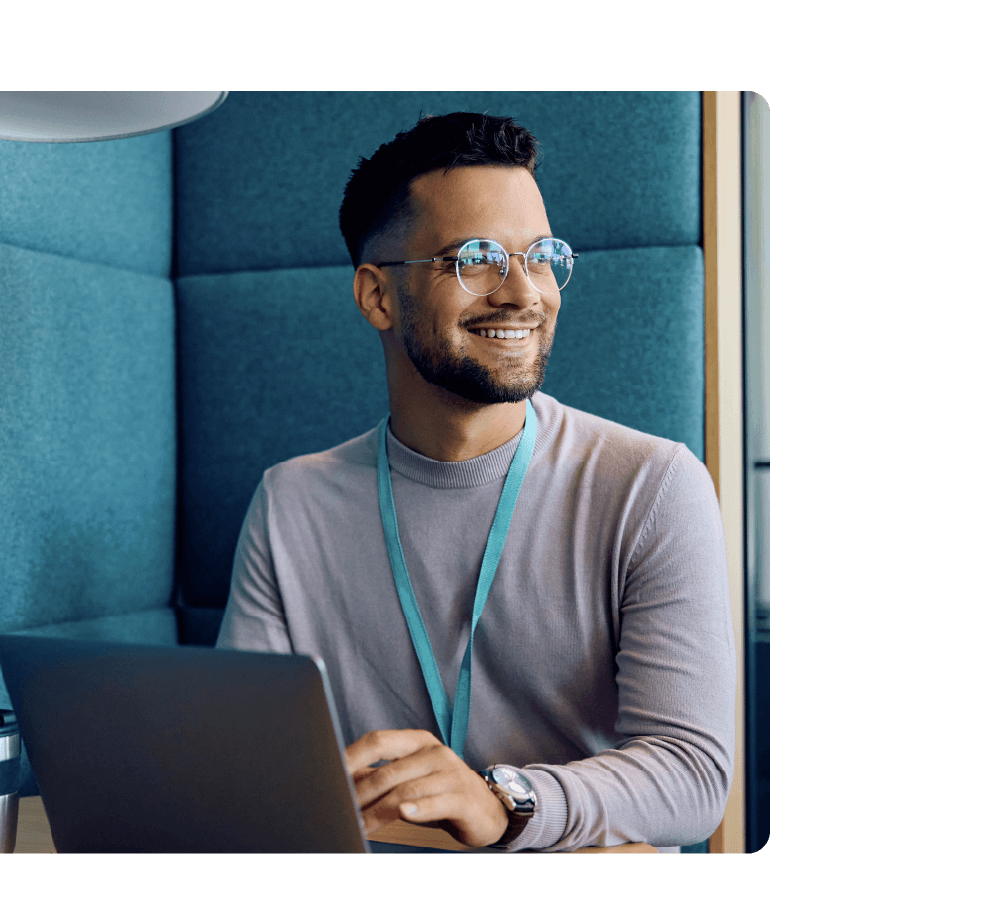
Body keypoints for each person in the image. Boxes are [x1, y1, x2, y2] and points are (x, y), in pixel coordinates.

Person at [214, 112, 734, 853]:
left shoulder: (652, 486)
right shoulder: (291, 501)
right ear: (378, 296)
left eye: (542, 255)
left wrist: (506, 803)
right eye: (477, 259)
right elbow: (247, 766)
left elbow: (692, 778)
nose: (525, 293)